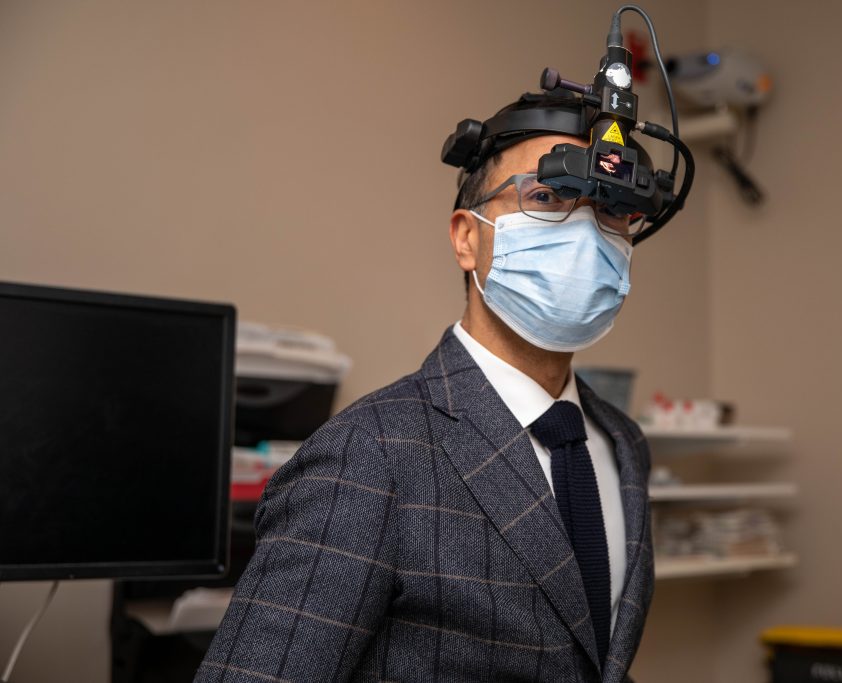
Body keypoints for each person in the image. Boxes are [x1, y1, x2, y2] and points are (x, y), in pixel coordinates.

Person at [196, 93, 656, 683]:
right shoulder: (370, 454)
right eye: (547, 198)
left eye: (612, 210)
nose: (587, 235)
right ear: (467, 237)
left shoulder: (622, 444)